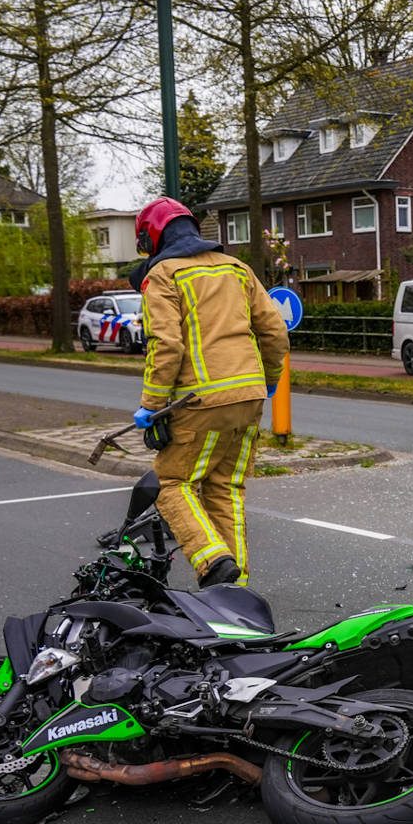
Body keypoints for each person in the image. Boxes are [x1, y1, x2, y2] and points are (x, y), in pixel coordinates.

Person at [130, 197, 290, 588]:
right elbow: (274, 332)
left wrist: (151, 405)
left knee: (171, 483)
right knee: (225, 487)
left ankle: (212, 561)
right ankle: (233, 593)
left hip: (200, 401)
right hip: (249, 398)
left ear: (151, 239)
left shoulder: (164, 275)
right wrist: (268, 382)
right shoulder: (238, 269)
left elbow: (165, 345)